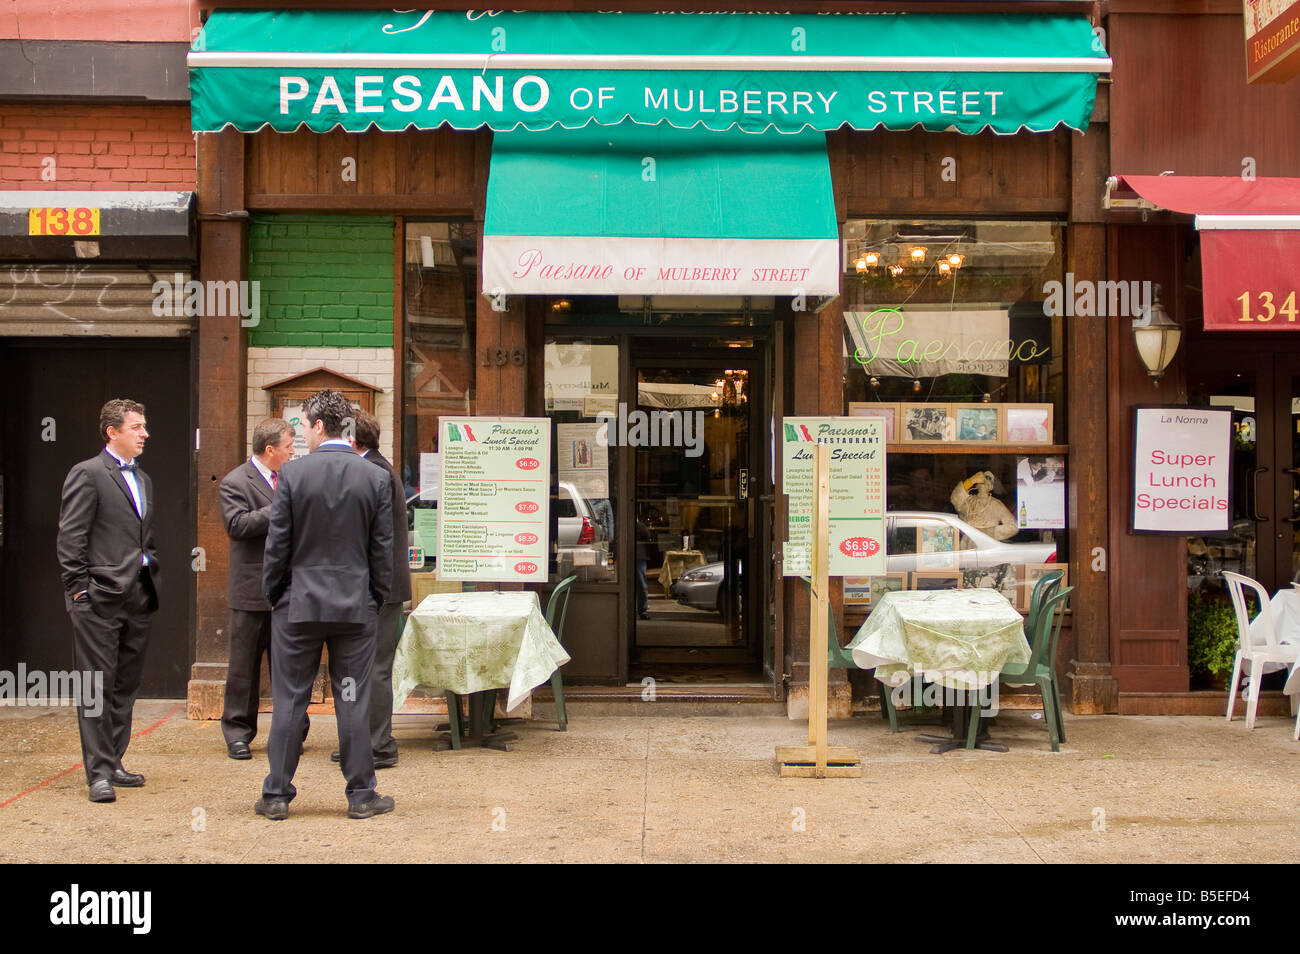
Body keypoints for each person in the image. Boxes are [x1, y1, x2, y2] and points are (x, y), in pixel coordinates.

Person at [257, 390, 394, 821]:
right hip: (355, 607)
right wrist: (376, 598)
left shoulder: (293, 476)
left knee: (290, 700)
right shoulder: (373, 477)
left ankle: (277, 794)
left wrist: (274, 594)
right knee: (352, 700)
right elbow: (382, 550)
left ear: (319, 426)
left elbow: (277, 544)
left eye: (303, 426)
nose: (300, 434)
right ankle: (361, 795)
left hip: (298, 605)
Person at [56, 399, 160, 803]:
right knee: (96, 686)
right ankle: (97, 773)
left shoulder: (144, 480)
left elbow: (141, 536)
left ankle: (115, 760)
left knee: (125, 685)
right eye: (136, 427)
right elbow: (71, 537)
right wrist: (78, 590)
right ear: (111, 432)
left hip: (138, 594)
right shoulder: (87, 474)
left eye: (144, 426)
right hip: (98, 596)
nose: (144, 433)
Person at [330, 409, 410, 770]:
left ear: (352, 439)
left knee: (376, 667)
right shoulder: (380, 467)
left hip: (380, 587)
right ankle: (370, 740)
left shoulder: (374, 471)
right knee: (369, 666)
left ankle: (379, 744)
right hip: (381, 585)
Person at [218, 418, 295, 760]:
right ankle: (238, 732)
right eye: (289, 447)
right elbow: (237, 525)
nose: (293, 452)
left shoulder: (291, 479)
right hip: (250, 592)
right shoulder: (236, 482)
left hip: (287, 591)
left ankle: (292, 731)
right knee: (243, 669)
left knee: (289, 667)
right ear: (270, 450)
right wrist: (278, 507)